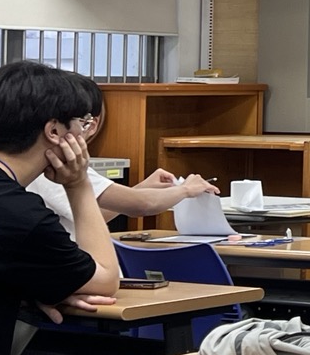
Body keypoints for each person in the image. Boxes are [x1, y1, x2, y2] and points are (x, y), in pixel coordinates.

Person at [0, 61, 119, 355]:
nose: (85, 134)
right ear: (55, 132)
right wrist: (79, 185)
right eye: (81, 124)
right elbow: (105, 279)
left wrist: (30, 286)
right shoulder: (19, 213)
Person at [28, 74, 219, 240]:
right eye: (83, 122)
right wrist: (186, 190)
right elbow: (143, 205)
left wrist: (139, 189)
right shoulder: (56, 163)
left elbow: (94, 211)